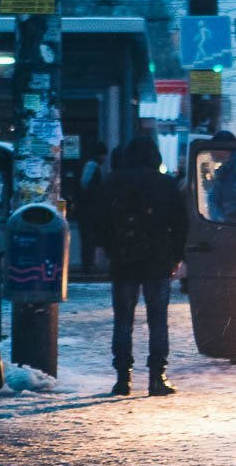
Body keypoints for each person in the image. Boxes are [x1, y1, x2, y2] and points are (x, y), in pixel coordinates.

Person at [95, 136, 188, 397]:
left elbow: (98, 219)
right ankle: (157, 378)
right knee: (157, 320)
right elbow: (180, 223)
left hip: (123, 261)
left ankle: (122, 378)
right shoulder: (165, 184)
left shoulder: (112, 181)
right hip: (157, 261)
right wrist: (177, 256)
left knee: (123, 319)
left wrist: (109, 248)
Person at [76, 142, 108, 274]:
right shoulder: (92, 166)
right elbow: (85, 184)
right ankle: (88, 264)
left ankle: (88, 263)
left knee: (87, 236)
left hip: (86, 208)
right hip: (89, 208)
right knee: (89, 236)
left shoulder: (90, 165)